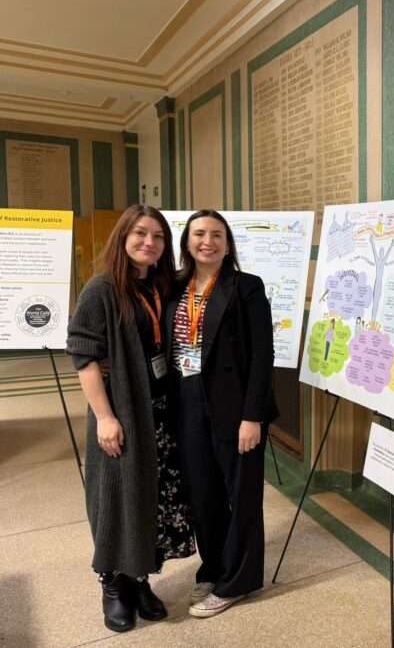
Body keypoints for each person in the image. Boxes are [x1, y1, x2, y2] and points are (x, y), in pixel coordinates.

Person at [67, 205, 194, 633]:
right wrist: (104, 417)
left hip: (159, 412)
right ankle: (113, 584)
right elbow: (84, 355)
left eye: (158, 236)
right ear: (122, 237)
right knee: (116, 497)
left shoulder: (160, 285)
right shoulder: (101, 289)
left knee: (151, 499)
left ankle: (139, 579)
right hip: (121, 411)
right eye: (140, 234)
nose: (149, 243)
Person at [166, 209, 278, 618]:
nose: (207, 241)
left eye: (216, 234)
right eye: (199, 234)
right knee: (203, 493)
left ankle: (239, 580)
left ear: (227, 243)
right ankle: (213, 568)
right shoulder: (175, 286)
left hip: (236, 408)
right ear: (187, 242)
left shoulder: (246, 286)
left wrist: (254, 416)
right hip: (187, 399)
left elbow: (263, 355)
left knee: (242, 494)